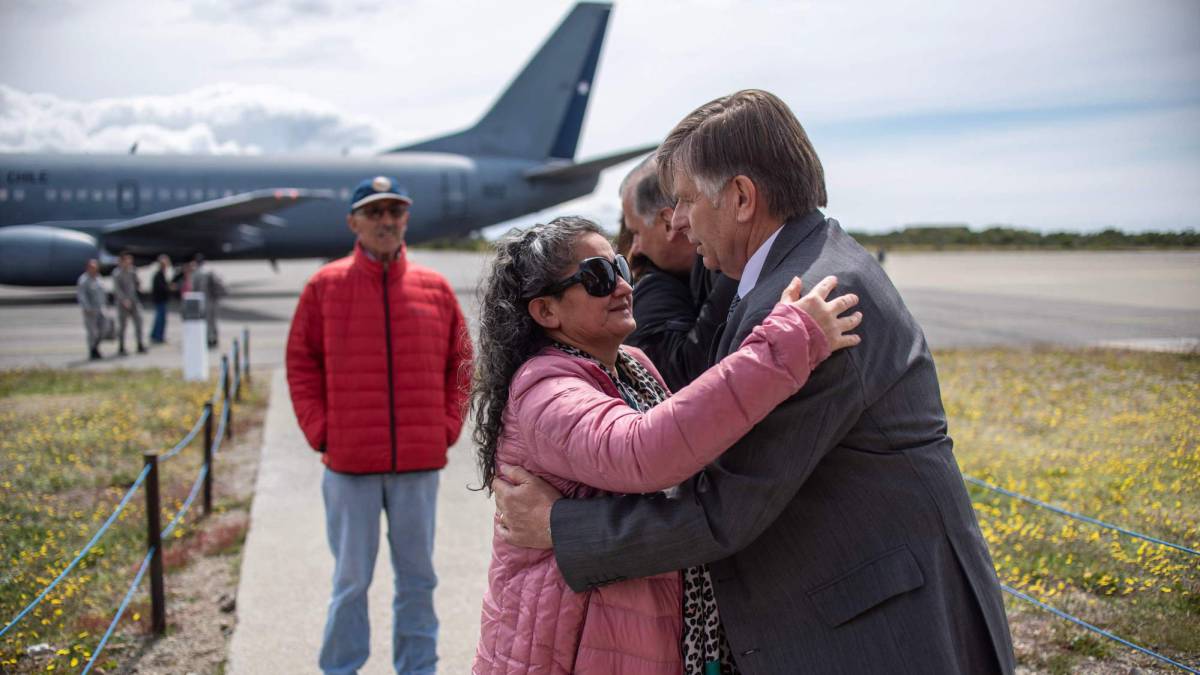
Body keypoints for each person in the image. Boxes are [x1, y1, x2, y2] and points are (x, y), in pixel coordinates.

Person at [494, 90, 1016, 673]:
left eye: (687, 200)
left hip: (878, 633)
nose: (680, 223)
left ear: (741, 197)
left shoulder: (816, 300)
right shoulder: (790, 283)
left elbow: (726, 507)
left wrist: (560, 529)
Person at [471, 216, 860, 674]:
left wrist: (556, 522)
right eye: (597, 277)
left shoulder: (630, 364)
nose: (621, 286)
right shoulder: (545, 389)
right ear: (546, 312)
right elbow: (646, 453)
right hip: (570, 649)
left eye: (620, 267)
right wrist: (788, 344)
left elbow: (691, 450)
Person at [286, 175, 473, 675]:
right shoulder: (324, 287)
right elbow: (301, 364)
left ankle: (419, 668)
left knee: (419, 580)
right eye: (374, 212)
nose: (386, 221)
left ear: (405, 219)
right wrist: (321, 431)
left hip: (417, 464)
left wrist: (446, 427)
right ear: (354, 222)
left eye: (395, 212)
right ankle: (341, 668)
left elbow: (461, 363)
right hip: (349, 467)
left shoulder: (433, 288)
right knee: (351, 583)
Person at [621, 155, 738, 390]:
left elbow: (685, 380)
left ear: (667, 223)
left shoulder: (731, 270)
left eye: (636, 232)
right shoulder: (714, 273)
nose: (636, 247)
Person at [111, 251, 147, 355]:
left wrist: (139, 284)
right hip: (123, 303)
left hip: (134, 301)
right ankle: (121, 347)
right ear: (122, 261)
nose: (129, 262)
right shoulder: (117, 273)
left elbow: (137, 284)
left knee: (139, 322)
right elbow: (117, 289)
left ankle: (140, 344)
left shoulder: (133, 271)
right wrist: (124, 300)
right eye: (127, 260)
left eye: (130, 260)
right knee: (122, 326)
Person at [190, 253, 225, 347]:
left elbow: (194, 289)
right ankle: (215, 339)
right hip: (214, 300)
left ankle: (209, 340)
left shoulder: (197, 273)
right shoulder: (211, 270)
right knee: (214, 321)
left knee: (206, 321)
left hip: (205, 301)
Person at [76, 258, 107, 360]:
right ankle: (92, 350)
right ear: (88, 268)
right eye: (92, 267)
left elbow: (102, 293)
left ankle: (96, 347)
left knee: (104, 329)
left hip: (100, 309)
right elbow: (82, 296)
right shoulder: (83, 280)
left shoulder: (99, 278)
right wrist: (87, 308)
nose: (94, 269)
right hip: (90, 311)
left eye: (95, 267)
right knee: (92, 332)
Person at [149, 254, 173, 344]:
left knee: (159, 319)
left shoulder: (162, 274)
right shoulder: (158, 275)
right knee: (160, 319)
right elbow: (161, 288)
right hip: (160, 300)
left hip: (161, 300)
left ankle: (155, 335)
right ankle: (158, 336)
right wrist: (169, 288)